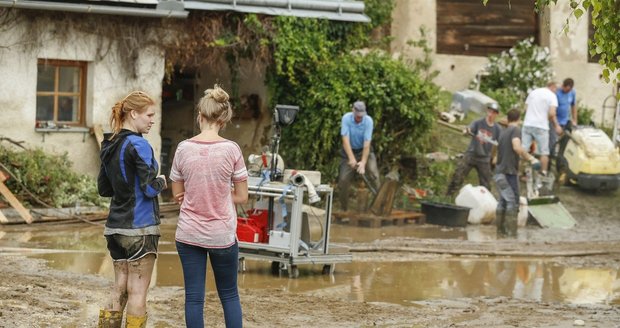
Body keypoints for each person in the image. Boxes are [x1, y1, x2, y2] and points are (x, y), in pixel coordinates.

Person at [170, 85, 248, 328]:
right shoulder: (232, 149)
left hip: (188, 233)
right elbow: (242, 196)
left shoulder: (183, 148)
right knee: (229, 295)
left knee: (193, 298)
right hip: (221, 235)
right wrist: (221, 196)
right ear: (223, 120)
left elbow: (177, 193)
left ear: (199, 117)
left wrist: (194, 195)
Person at [97, 91, 167, 327]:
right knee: (137, 292)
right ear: (134, 113)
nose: (152, 120)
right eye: (149, 115)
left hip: (115, 229)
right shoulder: (139, 145)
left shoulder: (109, 143)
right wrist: (163, 181)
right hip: (141, 229)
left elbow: (104, 189)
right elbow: (149, 189)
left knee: (119, 288)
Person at [494, 109, 540, 237]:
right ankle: (511, 233)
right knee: (513, 202)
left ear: (508, 119)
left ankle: (500, 231)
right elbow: (516, 147)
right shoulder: (515, 130)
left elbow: (499, 154)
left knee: (502, 201)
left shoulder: (503, 132)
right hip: (509, 172)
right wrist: (531, 158)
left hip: (498, 172)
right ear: (519, 119)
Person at [446, 102, 502, 196]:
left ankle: (484, 203)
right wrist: (466, 131)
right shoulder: (478, 122)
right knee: (457, 177)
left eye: (493, 112)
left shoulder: (497, 129)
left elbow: (501, 143)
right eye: (489, 111)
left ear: (496, 114)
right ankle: (448, 197)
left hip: (484, 159)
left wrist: (496, 156)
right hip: (471, 155)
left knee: (486, 185)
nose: (490, 114)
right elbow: (469, 129)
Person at [338, 100, 381, 211]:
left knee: (374, 174)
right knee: (343, 180)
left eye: (361, 116)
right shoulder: (346, 118)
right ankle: (344, 209)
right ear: (353, 111)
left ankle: (379, 205)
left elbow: (367, 144)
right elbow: (345, 140)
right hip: (348, 152)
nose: (359, 118)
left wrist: (363, 162)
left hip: (364, 151)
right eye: (357, 116)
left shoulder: (368, 121)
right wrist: (352, 158)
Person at [521, 82, 562, 176]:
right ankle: (543, 173)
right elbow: (552, 113)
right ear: (553, 87)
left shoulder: (533, 92)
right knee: (544, 152)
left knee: (524, 150)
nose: (556, 92)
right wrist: (556, 126)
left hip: (528, 124)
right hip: (541, 126)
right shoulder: (552, 96)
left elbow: (526, 108)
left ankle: (522, 173)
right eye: (556, 90)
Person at [551, 78, 577, 160]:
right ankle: (550, 160)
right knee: (553, 142)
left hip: (566, 121)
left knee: (565, 143)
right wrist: (556, 125)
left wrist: (574, 119)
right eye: (566, 89)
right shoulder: (557, 92)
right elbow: (552, 109)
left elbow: (573, 106)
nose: (567, 91)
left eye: (569, 90)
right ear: (563, 86)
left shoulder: (572, 93)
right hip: (555, 121)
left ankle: (561, 160)